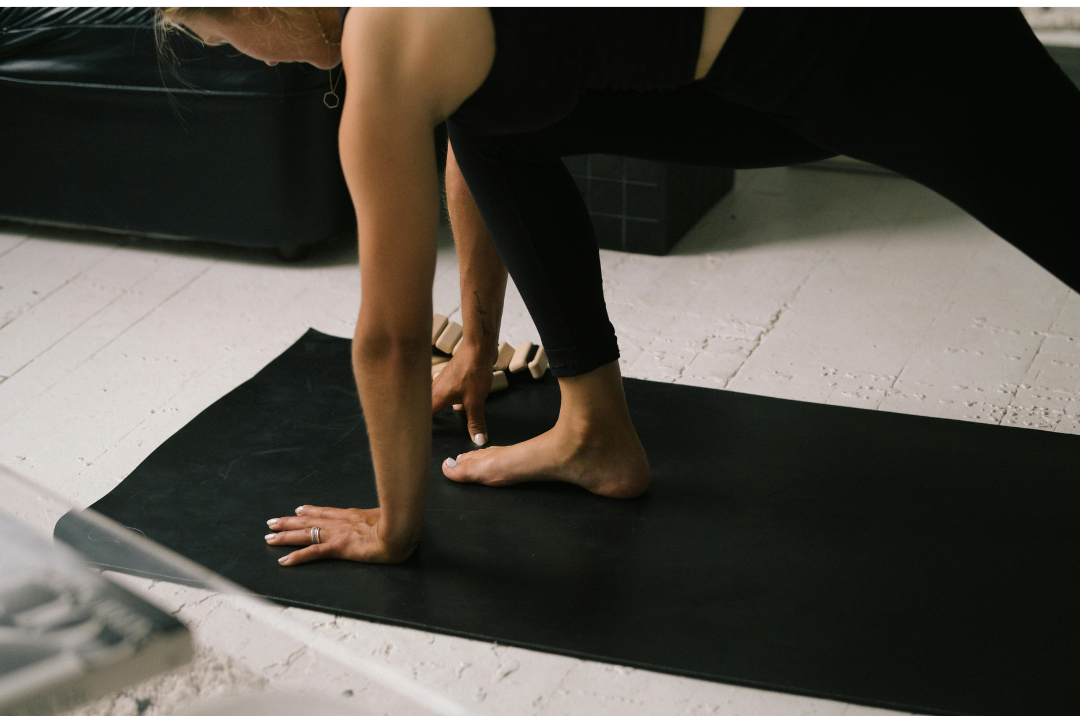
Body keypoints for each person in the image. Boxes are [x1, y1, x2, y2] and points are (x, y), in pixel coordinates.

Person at [159, 6, 1080, 566]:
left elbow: (390, 340)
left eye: (224, 37)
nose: (255, 59)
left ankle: (592, 428)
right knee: (496, 129)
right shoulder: (412, 42)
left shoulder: (382, 37)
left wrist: (395, 527)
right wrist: (479, 340)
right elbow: (475, 132)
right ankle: (594, 429)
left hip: (866, 41)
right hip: (770, 64)